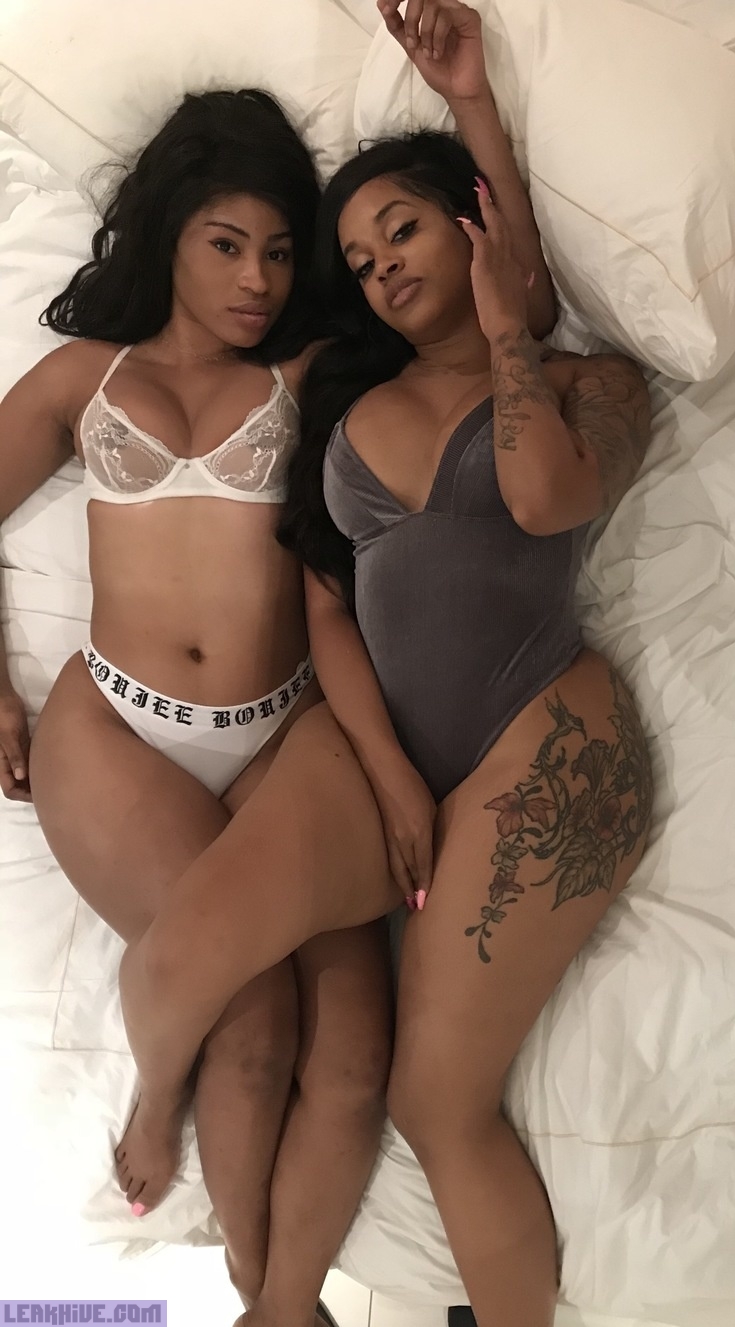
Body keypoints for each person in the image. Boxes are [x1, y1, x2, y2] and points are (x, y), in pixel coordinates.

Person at [280, 2, 655, 1324]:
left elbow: (544, 499)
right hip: (410, 779)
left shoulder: (590, 386)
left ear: (472, 229)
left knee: (435, 1101)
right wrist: (390, 776)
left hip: (544, 743)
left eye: (403, 228)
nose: (380, 265)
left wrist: (505, 322)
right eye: (360, 257)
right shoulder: (351, 403)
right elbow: (325, 604)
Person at [0, 88, 396, 1327]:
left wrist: (474, 117)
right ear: (169, 232)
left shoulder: (310, 369)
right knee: (254, 1017)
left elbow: (485, 323)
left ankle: (274, 1305)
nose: (257, 280)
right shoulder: (82, 377)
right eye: (226, 244)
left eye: (278, 250)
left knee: (348, 1048)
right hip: (115, 731)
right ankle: (234, 1240)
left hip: (284, 733)